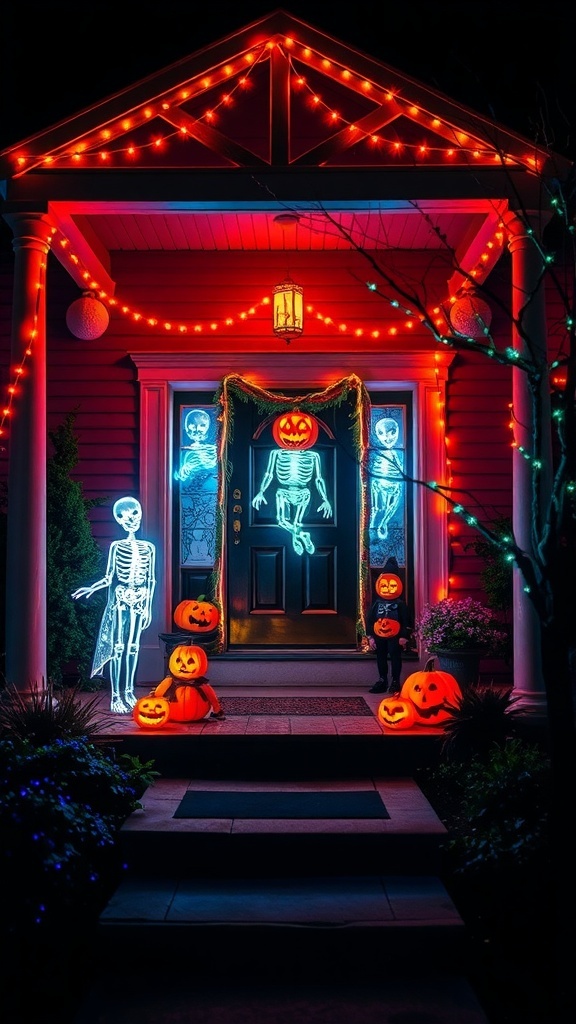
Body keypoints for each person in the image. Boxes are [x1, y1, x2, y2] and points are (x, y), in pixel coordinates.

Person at [71, 496, 156, 713]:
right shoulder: (117, 547)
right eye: (124, 516)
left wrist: (148, 607)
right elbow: (110, 578)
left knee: (133, 647)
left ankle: (129, 692)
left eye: (135, 513)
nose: (131, 519)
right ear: (118, 520)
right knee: (118, 646)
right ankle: (116, 696)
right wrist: (91, 588)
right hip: (121, 596)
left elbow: (151, 579)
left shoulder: (149, 548)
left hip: (140, 597)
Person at [366, 556, 410, 694]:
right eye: (384, 585)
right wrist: (370, 636)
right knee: (381, 656)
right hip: (379, 635)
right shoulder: (377, 604)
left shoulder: (400, 604)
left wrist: (404, 636)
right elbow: (370, 619)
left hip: (395, 636)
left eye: (392, 585)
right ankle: (382, 679)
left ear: (398, 584)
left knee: (395, 656)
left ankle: (396, 681)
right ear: (379, 585)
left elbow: (406, 621)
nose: (387, 588)